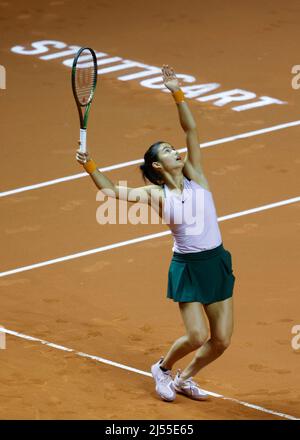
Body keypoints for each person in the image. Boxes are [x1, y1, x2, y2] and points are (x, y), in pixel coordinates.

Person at [76, 64, 236, 403]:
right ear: (158, 167)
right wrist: (91, 165)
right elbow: (110, 192)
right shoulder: (155, 195)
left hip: (216, 261)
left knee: (221, 340)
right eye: (166, 150)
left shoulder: (197, 178)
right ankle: (162, 369)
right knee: (196, 335)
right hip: (189, 267)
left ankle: (185, 378)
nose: (175, 150)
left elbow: (191, 129)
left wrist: (176, 92)